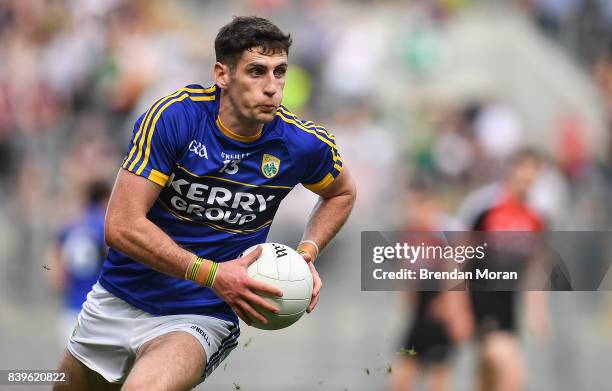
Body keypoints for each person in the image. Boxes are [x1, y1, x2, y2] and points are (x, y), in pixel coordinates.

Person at [54, 16, 356, 391]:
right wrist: (213, 274)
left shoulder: (303, 143)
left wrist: (307, 252)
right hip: (117, 298)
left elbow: (342, 192)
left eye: (280, 73)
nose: (272, 87)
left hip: (199, 314)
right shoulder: (175, 117)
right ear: (222, 74)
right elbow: (121, 226)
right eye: (257, 72)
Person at [465, 149, 549, 391]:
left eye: (531, 181)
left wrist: (537, 309)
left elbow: (535, 266)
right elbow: (459, 258)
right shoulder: (485, 208)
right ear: (510, 174)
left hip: (508, 304)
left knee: (488, 377)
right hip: (481, 300)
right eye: (522, 179)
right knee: (512, 375)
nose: (526, 185)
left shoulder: (535, 217)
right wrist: (456, 305)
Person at [46, 181, 110, 345]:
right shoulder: (105, 228)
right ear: (105, 199)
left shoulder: (70, 226)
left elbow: (54, 269)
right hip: (98, 312)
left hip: (70, 310)